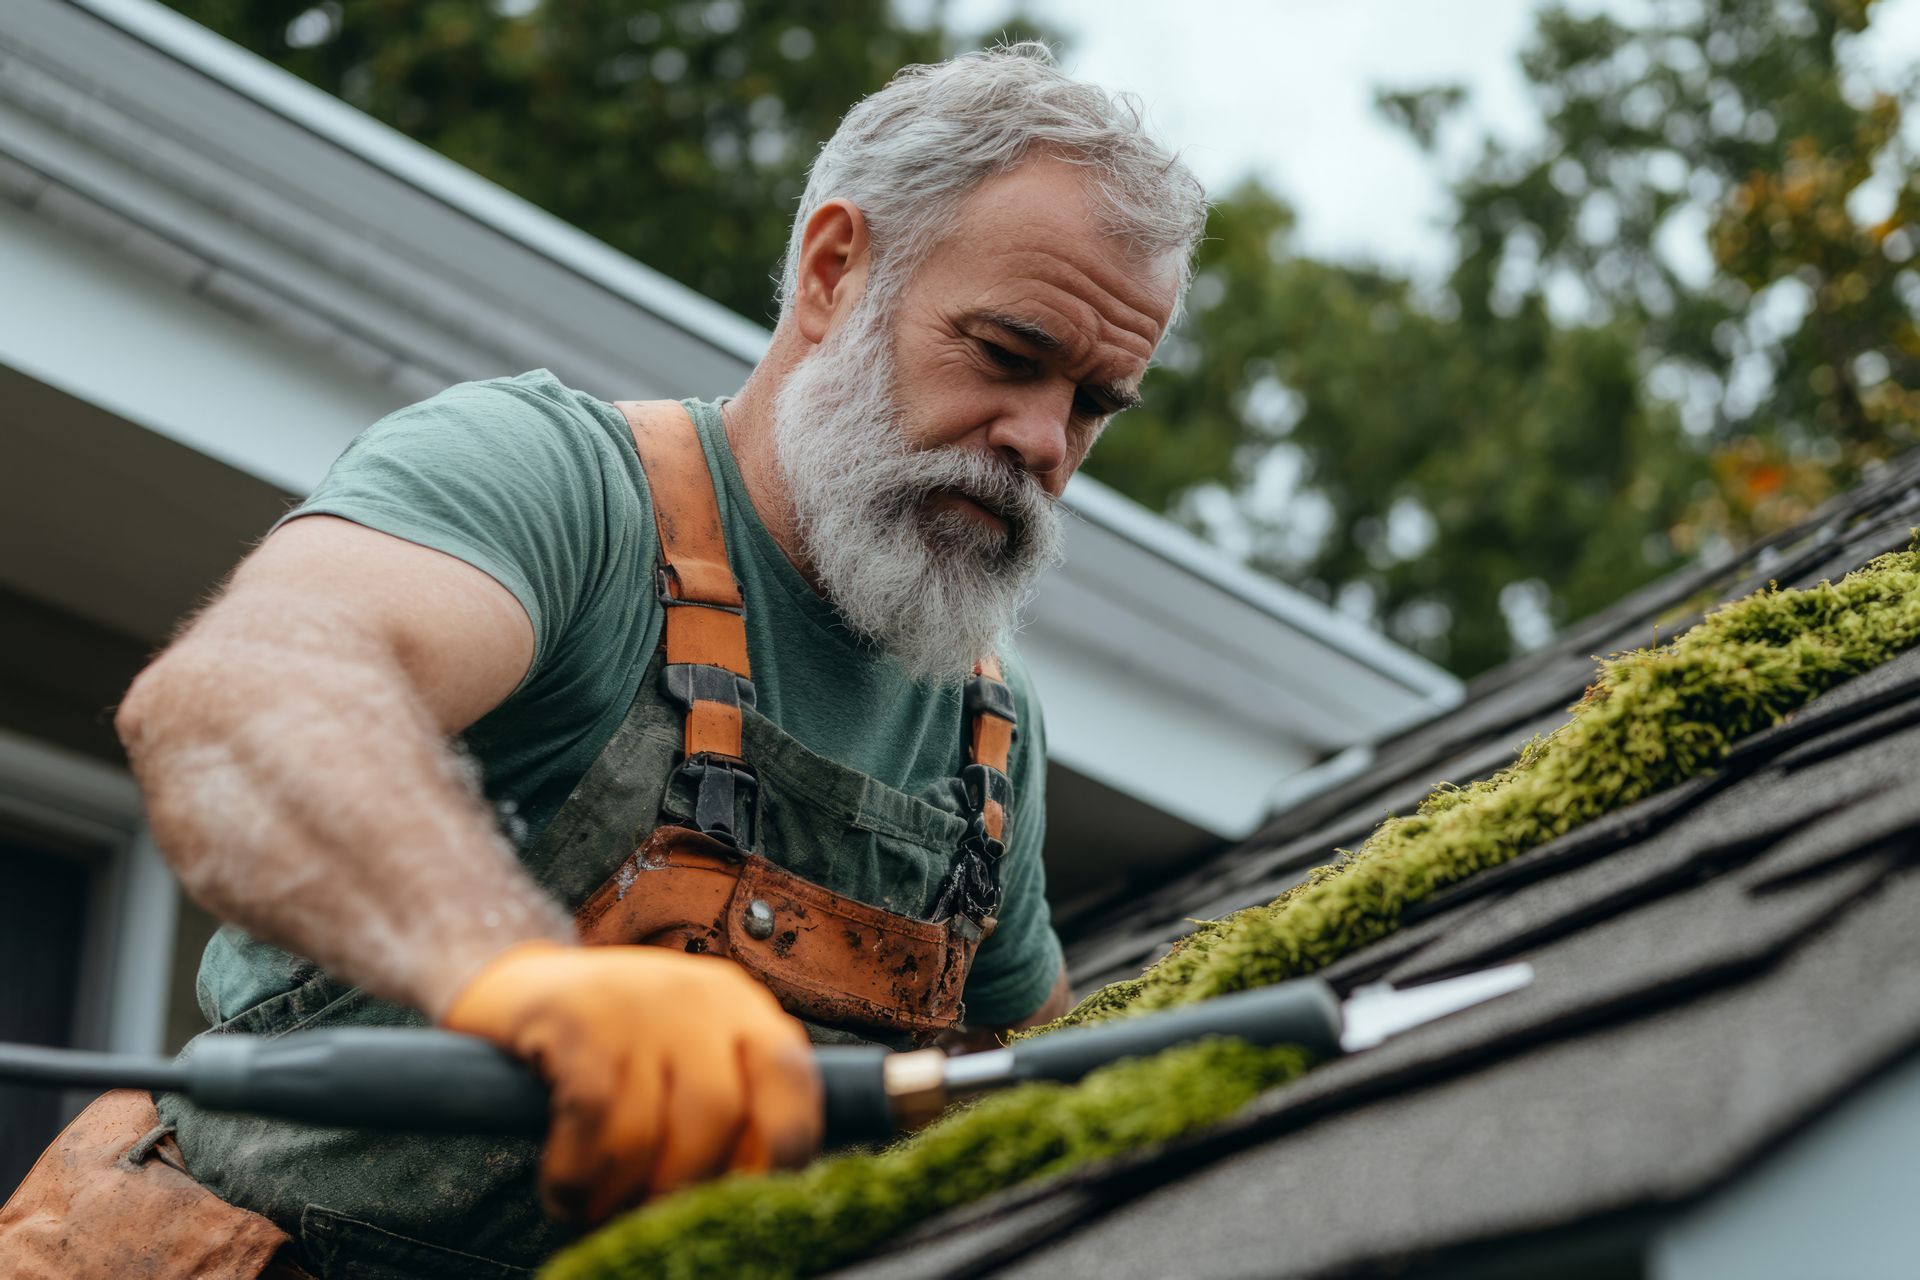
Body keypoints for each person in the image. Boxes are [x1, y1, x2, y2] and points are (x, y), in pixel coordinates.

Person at [2, 40, 1205, 1279]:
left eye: (1095, 402)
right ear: (836, 271)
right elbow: (237, 709)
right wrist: (514, 978)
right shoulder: (556, 486)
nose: (1043, 441)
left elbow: (1033, 1088)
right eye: (1007, 354)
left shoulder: (990, 735)